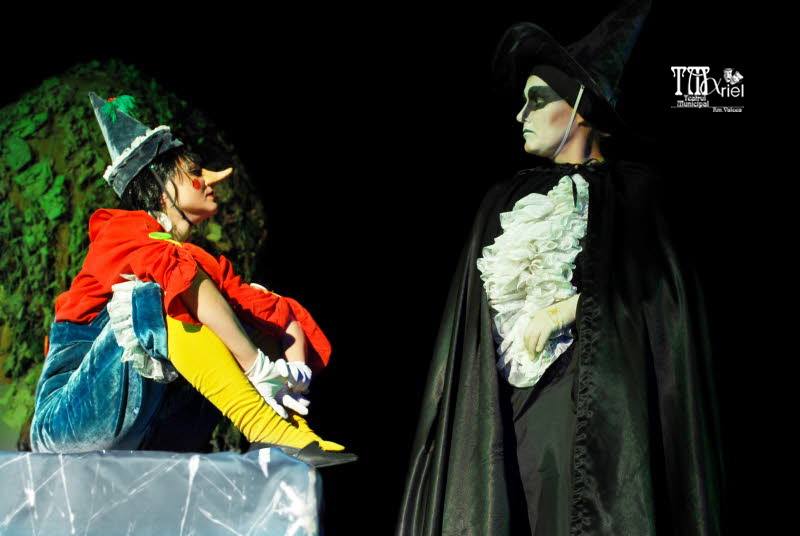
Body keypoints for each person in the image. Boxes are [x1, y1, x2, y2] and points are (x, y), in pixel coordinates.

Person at [397, 1, 725, 534]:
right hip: (509, 415)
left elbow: (664, 299)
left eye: (537, 100)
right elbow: (468, 331)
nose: (520, 115)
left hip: (598, 412)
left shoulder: (637, 194)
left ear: (578, 107)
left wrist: (571, 309)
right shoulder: (504, 200)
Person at [29, 92, 356, 467]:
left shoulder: (198, 259)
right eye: (195, 173)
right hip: (67, 425)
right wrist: (256, 367)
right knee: (151, 297)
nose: (211, 180)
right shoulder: (122, 231)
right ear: (161, 185)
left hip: (150, 436)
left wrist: (292, 376)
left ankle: (288, 434)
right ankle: (262, 425)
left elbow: (275, 312)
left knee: (238, 311)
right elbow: (170, 278)